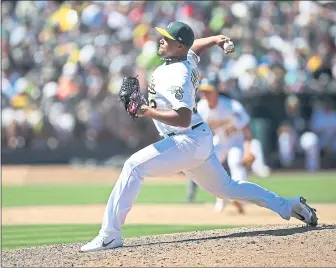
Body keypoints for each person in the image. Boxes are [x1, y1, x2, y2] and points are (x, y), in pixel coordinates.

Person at [80, 21, 318, 253]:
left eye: (168, 39)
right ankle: (288, 204)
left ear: (179, 46)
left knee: (133, 167)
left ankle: (110, 236)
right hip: (197, 138)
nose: (161, 40)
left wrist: (147, 112)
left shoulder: (178, 74)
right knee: (227, 188)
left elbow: (182, 117)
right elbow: (195, 48)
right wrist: (216, 39)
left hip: (185, 139)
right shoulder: (184, 58)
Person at [186, 74, 264, 214]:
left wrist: (247, 151)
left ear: (216, 91)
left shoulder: (231, 106)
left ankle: (239, 199)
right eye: (204, 91)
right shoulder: (202, 107)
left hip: (236, 142)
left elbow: (246, 131)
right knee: (207, 163)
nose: (206, 94)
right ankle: (221, 198)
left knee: (235, 163)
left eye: (209, 91)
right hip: (220, 141)